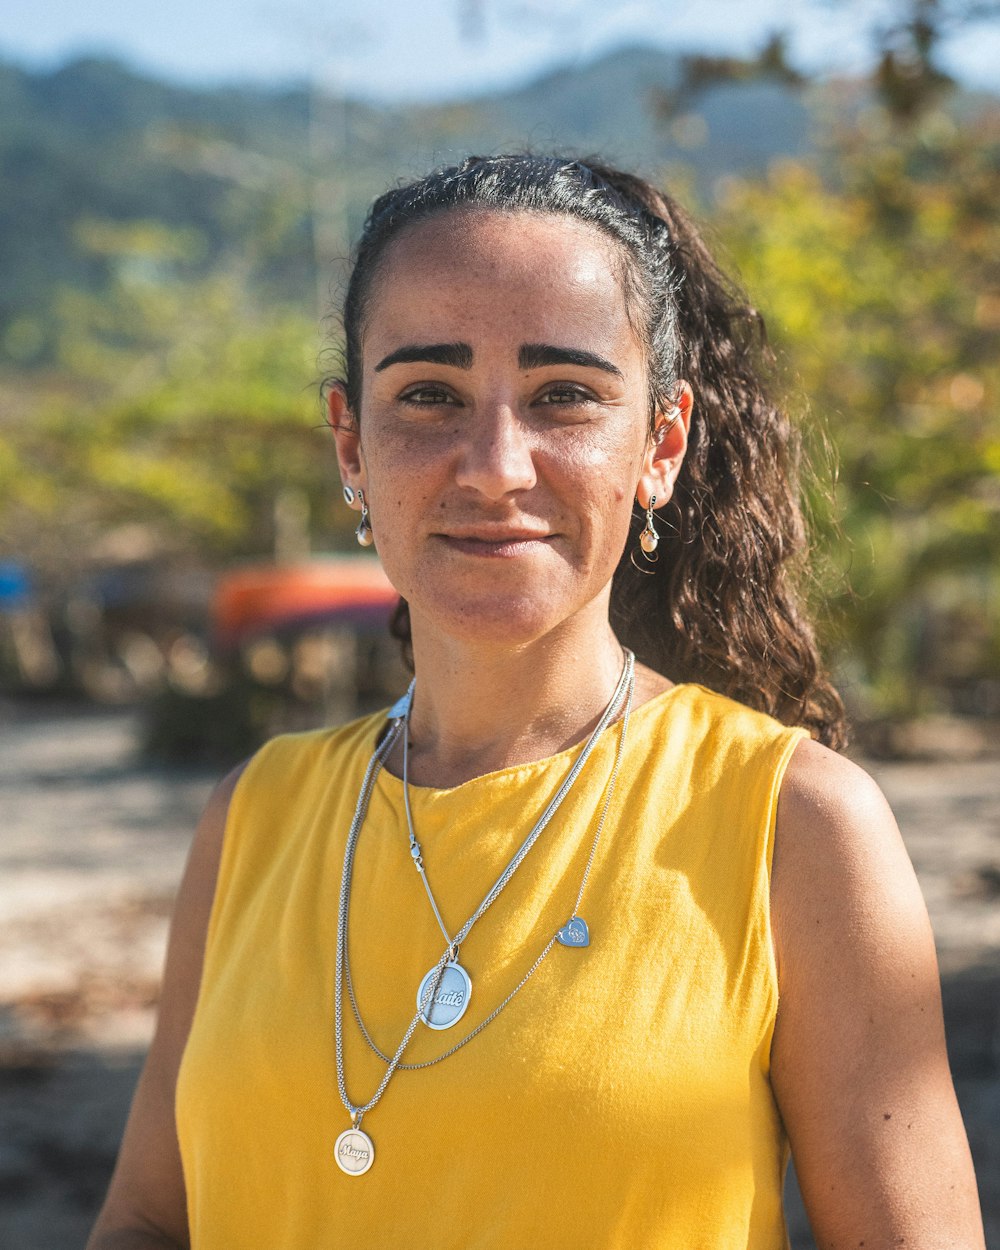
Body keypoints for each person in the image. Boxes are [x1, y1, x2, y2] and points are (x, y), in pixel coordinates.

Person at [87, 154, 985, 1249]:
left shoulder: (790, 822)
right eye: (428, 394)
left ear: (660, 443)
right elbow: (143, 1218)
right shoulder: (253, 817)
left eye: (564, 394)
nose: (494, 464)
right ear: (349, 444)